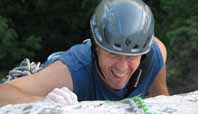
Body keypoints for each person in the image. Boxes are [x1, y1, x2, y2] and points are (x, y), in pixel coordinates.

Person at [0, 0, 169, 106]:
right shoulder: (73, 71)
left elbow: (161, 97)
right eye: (113, 54)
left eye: (132, 56)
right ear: (96, 47)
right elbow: (4, 93)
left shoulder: (155, 54)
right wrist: (43, 103)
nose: (122, 67)